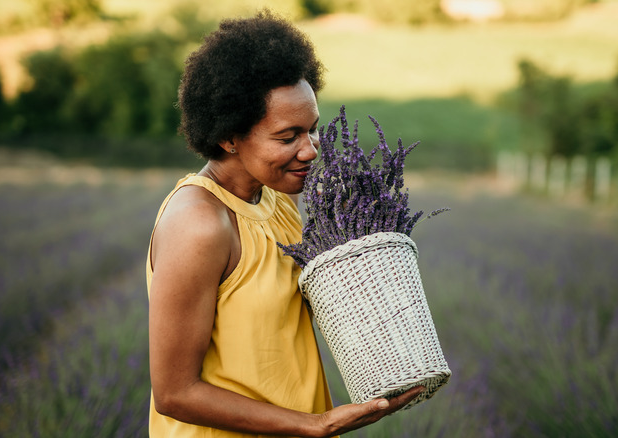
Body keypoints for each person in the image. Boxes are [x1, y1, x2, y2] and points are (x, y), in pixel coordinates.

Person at [146, 10, 422, 438]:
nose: (311, 150)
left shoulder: (275, 198)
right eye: (287, 136)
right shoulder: (200, 224)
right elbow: (175, 392)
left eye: (313, 130)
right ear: (228, 136)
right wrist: (314, 424)